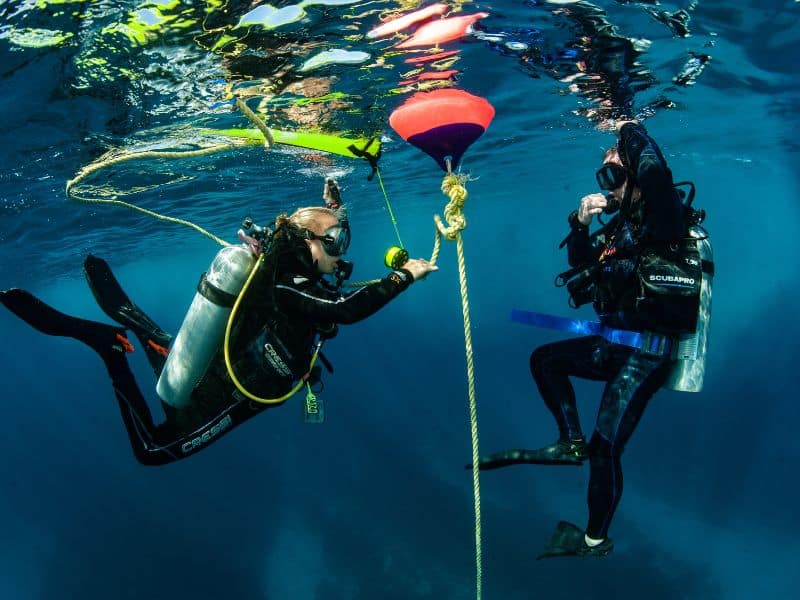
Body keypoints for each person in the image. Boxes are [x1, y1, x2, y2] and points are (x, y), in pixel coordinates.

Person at [1, 179, 437, 466]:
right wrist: (402, 277)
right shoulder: (289, 282)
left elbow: (324, 262)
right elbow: (345, 308)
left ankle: (138, 326)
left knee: (176, 375)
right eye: (337, 240)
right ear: (308, 242)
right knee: (154, 449)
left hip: (218, 367)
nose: (343, 248)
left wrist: (335, 210)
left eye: (344, 237)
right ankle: (109, 346)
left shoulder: (288, 261)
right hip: (223, 392)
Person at [476, 121, 687, 558]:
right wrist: (579, 222)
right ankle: (568, 440)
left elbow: (653, 172)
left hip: (647, 354)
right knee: (545, 360)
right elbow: (581, 267)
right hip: (616, 345)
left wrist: (629, 125)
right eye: (602, 177)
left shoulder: (663, 216)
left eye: (613, 176)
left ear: (635, 177)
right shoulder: (623, 226)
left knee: (605, 449)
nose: (607, 186)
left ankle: (594, 539)